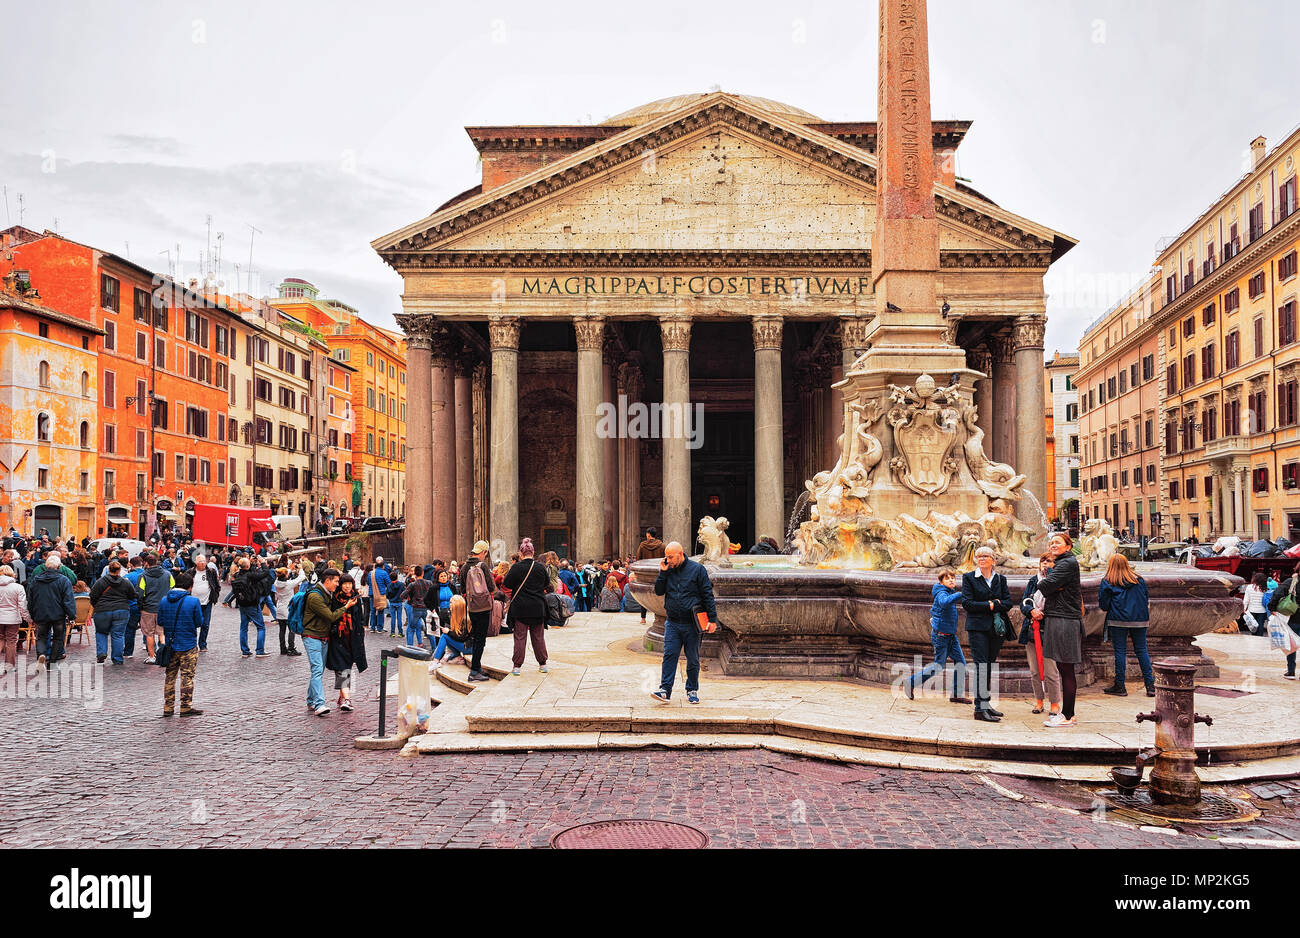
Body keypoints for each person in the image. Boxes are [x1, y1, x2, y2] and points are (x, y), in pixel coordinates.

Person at [650, 541, 717, 704]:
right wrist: (663, 573)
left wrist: (712, 620)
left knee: (692, 658)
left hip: (692, 623)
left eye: (671, 557)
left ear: (680, 554)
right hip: (672, 621)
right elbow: (658, 591)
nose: (668, 560)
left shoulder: (697, 570)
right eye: (666, 556)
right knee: (669, 655)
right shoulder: (668, 570)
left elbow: (708, 594)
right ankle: (665, 690)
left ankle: (692, 689)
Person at [1035, 532, 1085, 727]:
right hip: (1060, 617)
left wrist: (1049, 578)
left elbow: (1044, 586)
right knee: (1064, 668)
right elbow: (1050, 586)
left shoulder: (1067, 563)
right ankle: (1067, 713)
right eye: (1051, 542)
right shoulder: (1063, 563)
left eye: (1057, 542)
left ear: (1068, 546)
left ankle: (1067, 715)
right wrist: (1053, 582)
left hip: (1065, 619)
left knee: (1066, 669)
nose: (1053, 545)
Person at [961, 546, 1014, 722]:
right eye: (979, 556)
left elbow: (1007, 603)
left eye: (986, 556)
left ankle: (986, 703)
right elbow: (968, 604)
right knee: (981, 666)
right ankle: (979, 708)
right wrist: (991, 604)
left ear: (993, 559)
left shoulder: (1001, 579)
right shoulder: (969, 578)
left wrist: (988, 604)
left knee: (989, 666)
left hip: (996, 629)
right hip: (977, 628)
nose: (982, 559)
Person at [901, 569, 969, 703]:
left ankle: (956, 694)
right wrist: (961, 594)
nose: (951, 580)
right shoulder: (941, 592)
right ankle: (910, 682)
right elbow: (944, 602)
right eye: (947, 578)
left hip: (950, 636)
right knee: (938, 666)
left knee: (961, 663)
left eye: (953, 578)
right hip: (941, 636)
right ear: (941, 581)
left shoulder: (949, 592)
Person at [1099, 553, 1155, 697]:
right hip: (1140, 619)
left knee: (1120, 652)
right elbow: (1145, 598)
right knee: (1142, 650)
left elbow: (1104, 605)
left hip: (1118, 620)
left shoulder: (1108, 581)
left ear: (1110, 566)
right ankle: (1150, 686)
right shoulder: (1139, 580)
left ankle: (1120, 686)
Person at [302, 569, 356, 716]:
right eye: (338, 582)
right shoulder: (316, 596)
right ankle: (321, 703)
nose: (341, 586)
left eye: (347, 583)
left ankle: (312, 700)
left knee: (321, 670)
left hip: (335, 640)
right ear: (327, 581)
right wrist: (346, 607)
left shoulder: (331, 595)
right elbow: (331, 616)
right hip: (314, 637)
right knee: (319, 669)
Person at [1018, 553, 1061, 716]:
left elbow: (1060, 603)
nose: (1045, 564)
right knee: (1035, 670)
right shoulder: (1033, 581)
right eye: (1043, 561)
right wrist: (1031, 611)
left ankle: (1055, 703)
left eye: (1049, 561)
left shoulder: (1057, 582)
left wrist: (1045, 613)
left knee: (1051, 670)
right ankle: (1039, 701)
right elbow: (1024, 602)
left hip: (1050, 631)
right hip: (1031, 630)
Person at [156, 572, 204, 717]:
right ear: (190, 587)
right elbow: (199, 622)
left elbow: (161, 622)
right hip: (188, 643)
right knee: (187, 676)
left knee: (170, 676)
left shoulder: (164, 600)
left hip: (171, 643)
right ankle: (185, 706)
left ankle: (168, 707)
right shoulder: (193, 601)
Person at [502, 538, 551, 677]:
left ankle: (517, 666)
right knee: (538, 637)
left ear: (521, 553)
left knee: (519, 637)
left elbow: (508, 583)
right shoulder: (540, 567)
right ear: (533, 552)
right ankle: (543, 664)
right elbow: (547, 584)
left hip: (520, 608)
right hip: (537, 607)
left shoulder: (516, 567)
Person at [26, 553, 76, 669]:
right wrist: (72, 615)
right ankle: (52, 662)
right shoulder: (64, 580)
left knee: (42, 636)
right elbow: (68, 600)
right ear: (59, 567)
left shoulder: (36, 580)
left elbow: (30, 599)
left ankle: (42, 655)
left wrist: (32, 614)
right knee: (58, 638)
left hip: (41, 613)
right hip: (58, 614)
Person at [326, 575, 367, 711]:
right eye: (344, 583)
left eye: (349, 583)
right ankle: (347, 699)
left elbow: (360, 618)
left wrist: (360, 633)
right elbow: (331, 616)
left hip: (352, 639)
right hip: (338, 637)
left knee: (345, 668)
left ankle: (343, 695)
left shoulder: (356, 598)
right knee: (342, 668)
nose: (347, 586)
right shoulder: (334, 599)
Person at [460, 540, 495, 682]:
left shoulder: (464, 567)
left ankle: (477, 666)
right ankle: (474, 671)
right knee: (481, 639)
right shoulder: (483, 566)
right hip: (484, 607)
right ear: (484, 552)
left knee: (476, 636)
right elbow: (491, 587)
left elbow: (462, 589)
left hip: (472, 606)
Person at [89, 560, 135, 665]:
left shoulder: (100, 581)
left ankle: (101, 652)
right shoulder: (125, 582)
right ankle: (117, 658)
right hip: (121, 609)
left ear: (109, 569)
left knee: (101, 632)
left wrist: (97, 606)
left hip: (103, 610)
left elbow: (93, 596)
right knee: (118, 634)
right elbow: (132, 595)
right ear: (119, 571)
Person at [136, 551, 174, 665]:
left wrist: (141, 607)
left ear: (146, 563)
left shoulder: (143, 576)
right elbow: (172, 588)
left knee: (149, 633)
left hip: (148, 608)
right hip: (163, 607)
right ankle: (165, 655)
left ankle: (152, 656)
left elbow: (140, 594)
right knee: (162, 633)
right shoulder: (168, 574)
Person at [1265, 560, 1300, 679]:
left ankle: (1291, 671)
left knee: (1291, 644)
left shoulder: (1291, 582)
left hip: (1293, 618)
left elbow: (1277, 594)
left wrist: (1272, 608)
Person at [231, 558, 268, 659]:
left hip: (242, 604)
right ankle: (260, 650)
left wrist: (251, 563)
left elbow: (249, 570)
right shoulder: (250, 576)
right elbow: (264, 573)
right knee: (261, 627)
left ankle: (245, 651)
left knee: (243, 628)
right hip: (252, 604)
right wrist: (263, 562)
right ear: (247, 566)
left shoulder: (237, 575)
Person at [0, 565, 32, 675]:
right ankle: (9, 666)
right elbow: (22, 606)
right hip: (12, 618)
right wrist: (28, 618)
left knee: (0, 639)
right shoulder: (18, 587)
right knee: (11, 641)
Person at [190, 554, 221, 652]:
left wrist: (214, 596)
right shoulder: (190, 572)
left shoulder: (211, 572)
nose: (203, 563)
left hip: (207, 602)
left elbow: (216, 585)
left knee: (205, 624)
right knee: (192, 624)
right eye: (200, 561)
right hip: (193, 603)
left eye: (204, 561)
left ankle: (202, 644)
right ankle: (192, 644)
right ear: (196, 563)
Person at [274, 566, 305, 656]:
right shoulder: (288, 584)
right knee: (292, 629)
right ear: (285, 575)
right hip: (287, 609)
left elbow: (281, 575)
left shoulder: (276, 582)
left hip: (279, 608)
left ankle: (283, 649)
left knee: (282, 630)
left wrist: (289, 570)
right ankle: (291, 648)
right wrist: (301, 568)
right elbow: (301, 578)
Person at [433, 594, 471, 665]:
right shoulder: (457, 615)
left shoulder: (466, 619)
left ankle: (435, 661)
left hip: (469, 648)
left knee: (445, 636)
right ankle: (456, 656)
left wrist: (449, 632)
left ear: (457, 605)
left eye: (451, 603)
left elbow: (462, 637)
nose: (449, 604)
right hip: (466, 645)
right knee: (446, 636)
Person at [400, 566, 431, 647]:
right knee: (413, 625)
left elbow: (403, 595)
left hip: (417, 606)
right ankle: (411, 645)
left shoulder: (414, 583)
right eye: (412, 570)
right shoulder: (409, 580)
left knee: (417, 626)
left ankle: (417, 644)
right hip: (414, 606)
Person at [367, 558, 391, 633]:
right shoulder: (384, 573)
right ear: (383, 566)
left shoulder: (371, 573)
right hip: (381, 594)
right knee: (381, 610)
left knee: (372, 611)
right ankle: (380, 628)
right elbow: (388, 583)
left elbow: (368, 582)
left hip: (372, 593)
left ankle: (372, 627)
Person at [1243, 572, 1270, 636]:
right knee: (1260, 625)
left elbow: (1246, 599)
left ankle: (1254, 638)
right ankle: (1260, 638)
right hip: (1262, 610)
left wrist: (1244, 608)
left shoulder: (1249, 587)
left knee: (1253, 625)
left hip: (1252, 610)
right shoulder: (1265, 588)